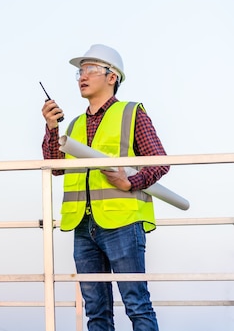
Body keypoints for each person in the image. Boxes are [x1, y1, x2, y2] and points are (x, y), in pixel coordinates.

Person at [41, 44, 169, 331]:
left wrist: (130, 181)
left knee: (137, 305)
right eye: (79, 71)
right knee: (96, 312)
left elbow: (161, 162)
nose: (81, 77)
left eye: (89, 70)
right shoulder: (73, 125)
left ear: (112, 77)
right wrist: (51, 128)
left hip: (122, 221)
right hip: (83, 225)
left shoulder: (131, 113)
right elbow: (56, 167)